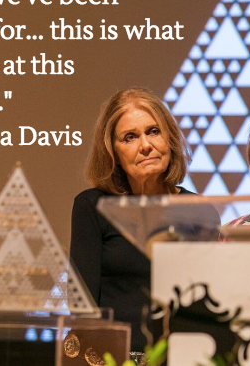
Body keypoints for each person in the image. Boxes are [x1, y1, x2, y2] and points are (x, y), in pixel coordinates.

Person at [69, 88, 197, 352]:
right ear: (112, 152)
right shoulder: (93, 206)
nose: (146, 145)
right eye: (130, 137)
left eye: (153, 131)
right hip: (111, 358)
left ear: (170, 139)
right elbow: (82, 308)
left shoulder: (198, 210)